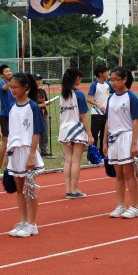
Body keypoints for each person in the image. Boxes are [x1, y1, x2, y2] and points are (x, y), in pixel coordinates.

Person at [5, 72, 45, 238]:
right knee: (19, 189)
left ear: (25, 87)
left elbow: (36, 132)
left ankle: (32, 223)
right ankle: (23, 221)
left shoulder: (32, 106)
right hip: (15, 152)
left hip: (27, 149)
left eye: (16, 87)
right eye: (11, 87)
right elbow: (12, 132)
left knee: (30, 188)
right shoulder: (12, 107)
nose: (13, 90)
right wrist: (8, 153)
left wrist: (31, 155)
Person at [104, 66, 138, 218]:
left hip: (127, 137)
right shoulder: (111, 98)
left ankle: (135, 206)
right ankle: (120, 205)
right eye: (111, 80)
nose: (113, 83)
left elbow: (136, 121)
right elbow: (108, 120)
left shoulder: (131, 97)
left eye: (116, 79)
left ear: (125, 79)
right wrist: (105, 141)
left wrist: (134, 144)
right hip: (114, 139)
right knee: (118, 174)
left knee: (129, 174)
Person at [58, 68, 94, 199]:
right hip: (76, 129)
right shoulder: (79, 94)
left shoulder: (62, 94)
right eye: (80, 77)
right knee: (75, 161)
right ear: (76, 79)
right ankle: (73, 190)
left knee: (68, 160)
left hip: (64, 129)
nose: (81, 79)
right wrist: (90, 134)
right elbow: (83, 116)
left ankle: (68, 189)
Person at [87, 64, 112, 157]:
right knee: (94, 135)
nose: (108, 73)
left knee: (104, 135)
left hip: (106, 114)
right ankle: (91, 157)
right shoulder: (94, 85)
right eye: (106, 71)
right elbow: (88, 98)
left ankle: (102, 155)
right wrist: (98, 105)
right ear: (100, 74)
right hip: (96, 113)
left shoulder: (108, 84)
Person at [0, 64, 14, 176]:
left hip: (14, 116)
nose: (9, 72)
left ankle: (10, 165)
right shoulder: (2, 85)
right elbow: (5, 88)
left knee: (14, 140)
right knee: (5, 140)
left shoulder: (14, 85)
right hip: (5, 116)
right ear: (2, 75)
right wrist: (12, 82)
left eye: (10, 71)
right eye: (6, 71)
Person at [35, 73, 52, 157]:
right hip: (36, 115)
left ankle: (44, 151)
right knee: (37, 133)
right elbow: (31, 105)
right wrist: (41, 105)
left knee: (45, 133)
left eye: (40, 80)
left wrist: (47, 103)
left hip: (44, 113)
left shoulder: (42, 91)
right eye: (37, 80)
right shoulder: (31, 92)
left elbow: (45, 101)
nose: (39, 81)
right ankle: (36, 151)